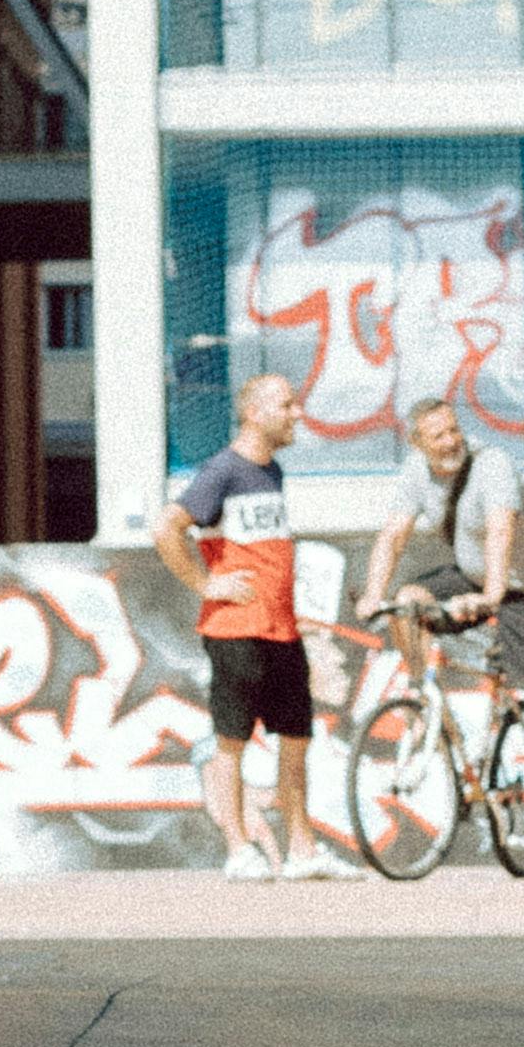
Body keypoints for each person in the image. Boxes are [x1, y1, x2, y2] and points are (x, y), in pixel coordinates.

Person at [358, 390, 524, 862]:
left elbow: (500, 529)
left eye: (453, 430)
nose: (450, 441)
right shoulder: (415, 475)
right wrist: (372, 594)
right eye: (437, 436)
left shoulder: (493, 466)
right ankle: (420, 703)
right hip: (471, 577)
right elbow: (393, 535)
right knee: (409, 602)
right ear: (419, 444)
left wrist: (491, 595)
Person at [160, 373, 343, 880]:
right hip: (236, 629)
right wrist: (205, 585)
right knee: (231, 742)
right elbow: (166, 526)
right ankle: (239, 848)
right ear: (255, 413)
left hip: (282, 630)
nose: (297, 413)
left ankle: (303, 850)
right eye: (287, 404)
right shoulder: (221, 471)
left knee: (296, 738)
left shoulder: (274, 472)